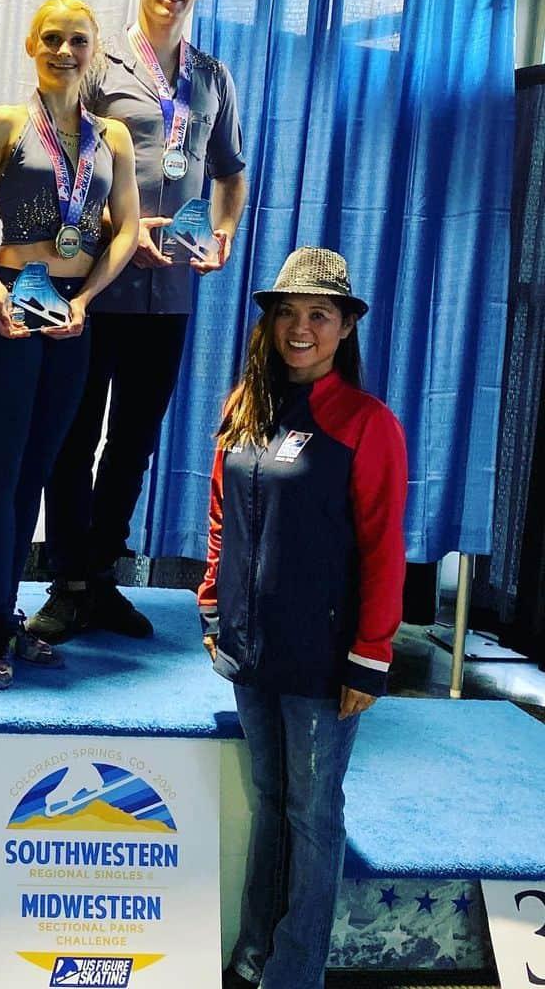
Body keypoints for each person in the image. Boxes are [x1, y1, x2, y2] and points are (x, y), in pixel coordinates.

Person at [30, 0, 248, 643]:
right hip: (92, 285)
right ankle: (66, 580)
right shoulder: (95, 65)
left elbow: (230, 173)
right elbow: (57, 162)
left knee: (135, 442)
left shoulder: (213, 77)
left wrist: (221, 235)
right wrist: (116, 231)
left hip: (171, 296)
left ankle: (101, 576)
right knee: (72, 433)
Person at [196, 247, 408, 989]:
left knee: (314, 818)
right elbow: (223, 516)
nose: (300, 327)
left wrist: (370, 655)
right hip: (251, 653)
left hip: (324, 661)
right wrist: (213, 605)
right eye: (288, 312)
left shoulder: (367, 423)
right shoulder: (244, 407)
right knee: (273, 805)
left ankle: (294, 975)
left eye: (319, 314)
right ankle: (254, 959)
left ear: (346, 328)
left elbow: (385, 547)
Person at [0, 0, 139, 689]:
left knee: (41, 469)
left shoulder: (111, 139)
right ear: (32, 44)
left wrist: (86, 299)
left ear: (94, 51)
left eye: (78, 40)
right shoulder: (6, 124)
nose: (64, 50)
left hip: (70, 313)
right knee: (3, 465)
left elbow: (124, 231)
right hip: (11, 301)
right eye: (52, 38)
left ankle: (7, 610)